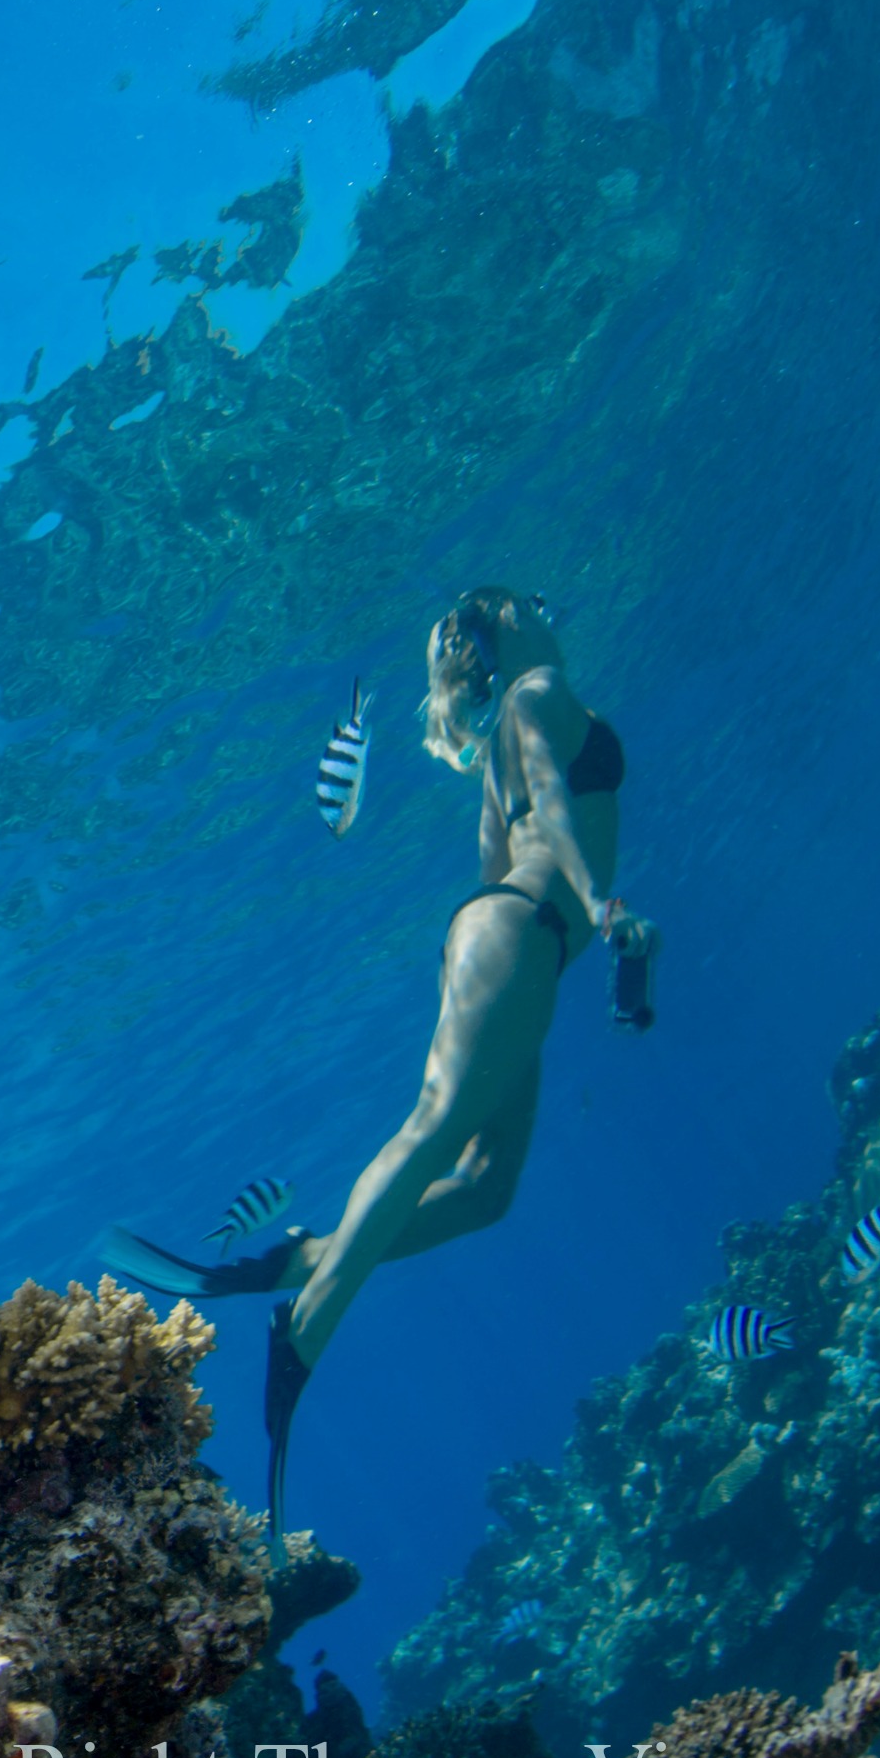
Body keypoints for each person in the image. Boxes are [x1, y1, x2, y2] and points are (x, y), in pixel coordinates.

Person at [98, 588, 640, 1532]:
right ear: (500, 629)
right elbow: (553, 805)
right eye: (529, 603)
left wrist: (539, 954)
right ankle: (301, 1331)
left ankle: (271, 1268)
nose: (548, 610)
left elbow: (493, 859)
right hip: (528, 936)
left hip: (511, 945)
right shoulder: (535, 690)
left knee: (483, 1188)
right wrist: (599, 907)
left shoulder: (500, 744)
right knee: (430, 1134)